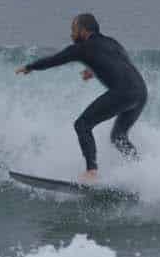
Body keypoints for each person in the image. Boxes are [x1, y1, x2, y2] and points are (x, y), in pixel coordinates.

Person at [16, 13, 147, 183]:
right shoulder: (112, 42)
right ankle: (141, 172)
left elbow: (55, 60)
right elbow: (120, 61)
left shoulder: (82, 48)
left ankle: (91, 172)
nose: (71, 35)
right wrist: (94, 69)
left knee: (82, 124)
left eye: (73, 30)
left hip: (124, 92)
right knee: (118, 137)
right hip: (141, 91)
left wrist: (30, 67)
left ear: (83, 31)